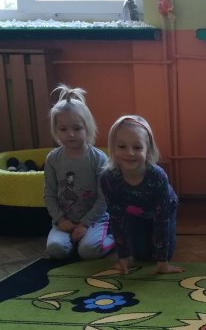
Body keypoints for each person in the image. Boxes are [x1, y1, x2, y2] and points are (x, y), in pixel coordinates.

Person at [100, 115, 182, 275]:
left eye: (137, 147)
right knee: (141, 255)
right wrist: (123, 256)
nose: (130, 153)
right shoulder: (108, 178)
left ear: (148, 150)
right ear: (112, 148)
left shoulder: (157, 176)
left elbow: (162, 220)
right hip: (133, 213)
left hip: (163, 211)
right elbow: (116, 217)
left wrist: (162, 262)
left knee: (163, 254)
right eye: (122, 146)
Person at [43, 85, 114, 260]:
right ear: (55, 130)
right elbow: (49, 194)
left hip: (94, 220)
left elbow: (104, 198)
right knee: (55, 249)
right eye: (63, 129)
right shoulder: (53, 159)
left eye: (77, 128)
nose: (71, 134)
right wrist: (60, 220)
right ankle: (76, 241)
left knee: (88, 252)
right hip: (64, 221)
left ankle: (114, 237)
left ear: (87, 127)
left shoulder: (98, 158)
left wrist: (84, 224)